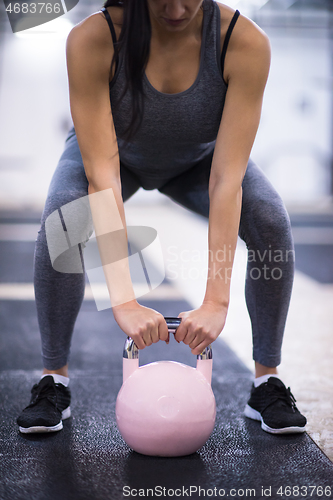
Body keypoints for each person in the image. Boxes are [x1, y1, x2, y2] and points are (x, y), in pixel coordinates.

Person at [17, 0, 306, 436]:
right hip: (116, 158)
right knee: (63, 217)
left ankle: (268, 380)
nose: (175, 8)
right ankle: (53, 379)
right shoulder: (94, 39)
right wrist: (125, 300)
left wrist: (216, 301)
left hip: (199, 161)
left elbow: (227, 180)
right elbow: (103, 178)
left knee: (269, 219)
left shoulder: (243, 42)